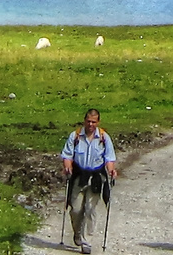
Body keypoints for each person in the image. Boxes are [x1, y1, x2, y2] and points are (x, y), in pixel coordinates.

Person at [61, 108, 117, 254]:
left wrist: (111, 170)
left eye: (93, 122)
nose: (90, 124)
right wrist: (67, 167)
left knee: (90, 209)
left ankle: (87, 242)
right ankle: (78, 234)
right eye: (88, 121)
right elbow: (67, 155)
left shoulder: (104, 138)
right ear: (84, 121)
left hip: (96, 177)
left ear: (98, 122)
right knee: (76, 209)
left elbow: (109, 158)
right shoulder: (75, 136)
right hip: (79, 176)